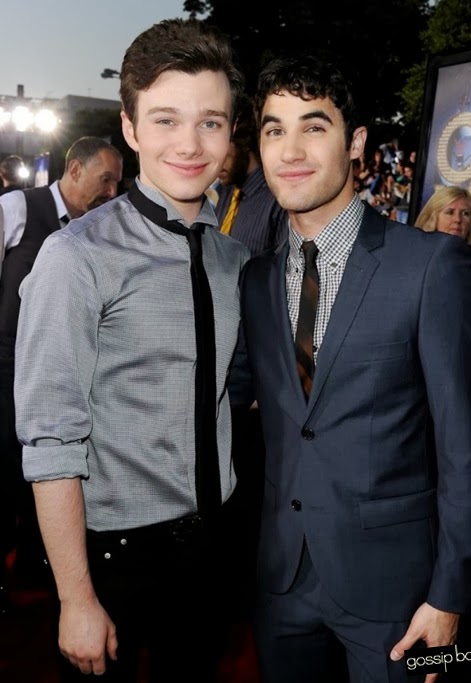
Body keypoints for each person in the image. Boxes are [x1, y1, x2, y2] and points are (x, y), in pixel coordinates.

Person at [231, 52, 471, 683]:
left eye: (314, 127)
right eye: (274, 129)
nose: (291, 150)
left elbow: (467, 444)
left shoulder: (430, 267)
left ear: (355, 143)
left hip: (402, 595)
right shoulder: (255, 280)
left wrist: (452, 595)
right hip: (281, 583)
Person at [14, 18, 248, 683]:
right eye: (166, 119)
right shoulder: (76, 257)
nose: (190, 143)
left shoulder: (233, 259)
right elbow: (51, 439)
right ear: (132, 128)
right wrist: (75, 598)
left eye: (210, 122)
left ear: (231, 132)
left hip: (214, 548)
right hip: (114, 559)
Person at [0, 136, 122, 615]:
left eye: (117, 182)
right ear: (74, 170)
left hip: (67, 378)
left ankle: (40, 568)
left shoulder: (101, 231)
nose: (111, 192)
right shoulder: (17, 207)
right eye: (105, 179)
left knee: (52, 473)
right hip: (6, 372)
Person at [215, 94, 287, 255]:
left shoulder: (277, 200)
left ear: (244, 142)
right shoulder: (223, 194)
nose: (216, 162)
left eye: (222, 150)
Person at [415, 185, 471, 304]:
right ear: (433, 217)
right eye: (450, 212)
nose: (458, 219)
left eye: (465, 213)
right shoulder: (412, 257)